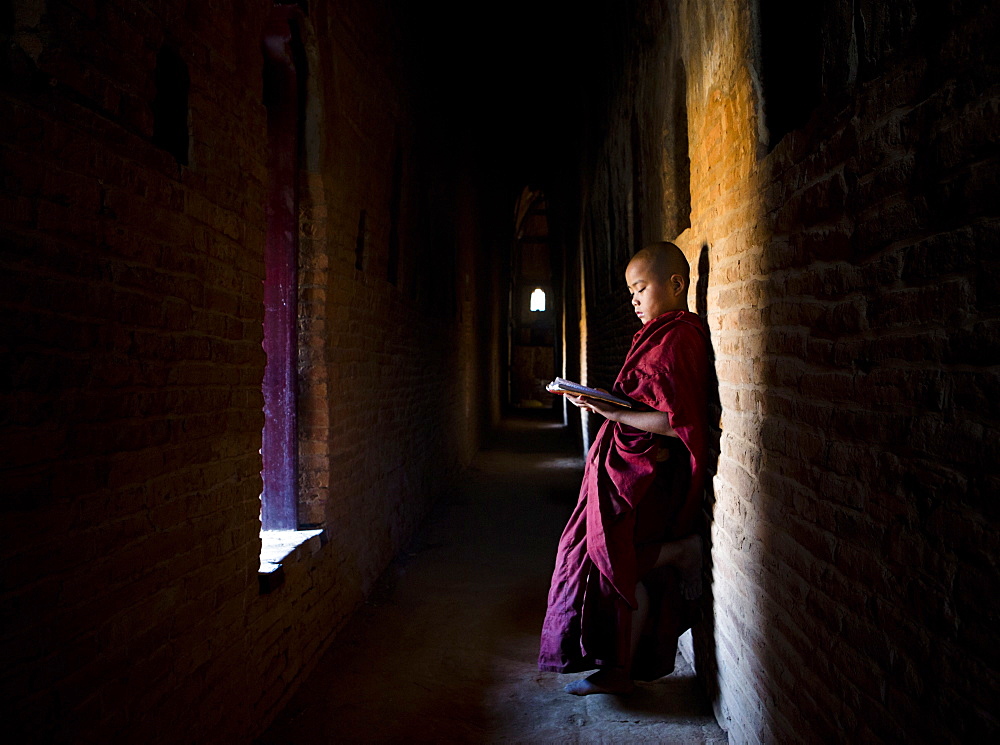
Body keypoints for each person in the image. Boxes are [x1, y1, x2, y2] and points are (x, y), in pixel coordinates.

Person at [538, 241, 710, 696]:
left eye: (641, 288)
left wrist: (611, 413)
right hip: (626, 470)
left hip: (649, 477)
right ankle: (617, 668)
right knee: (601, 560)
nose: (633, 300)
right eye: (630, 291)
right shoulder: (653, 334)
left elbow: (679, 423)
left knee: (616, 559)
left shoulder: (680, 337)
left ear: (675, 284)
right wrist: (599, 401)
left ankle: (681, 553)